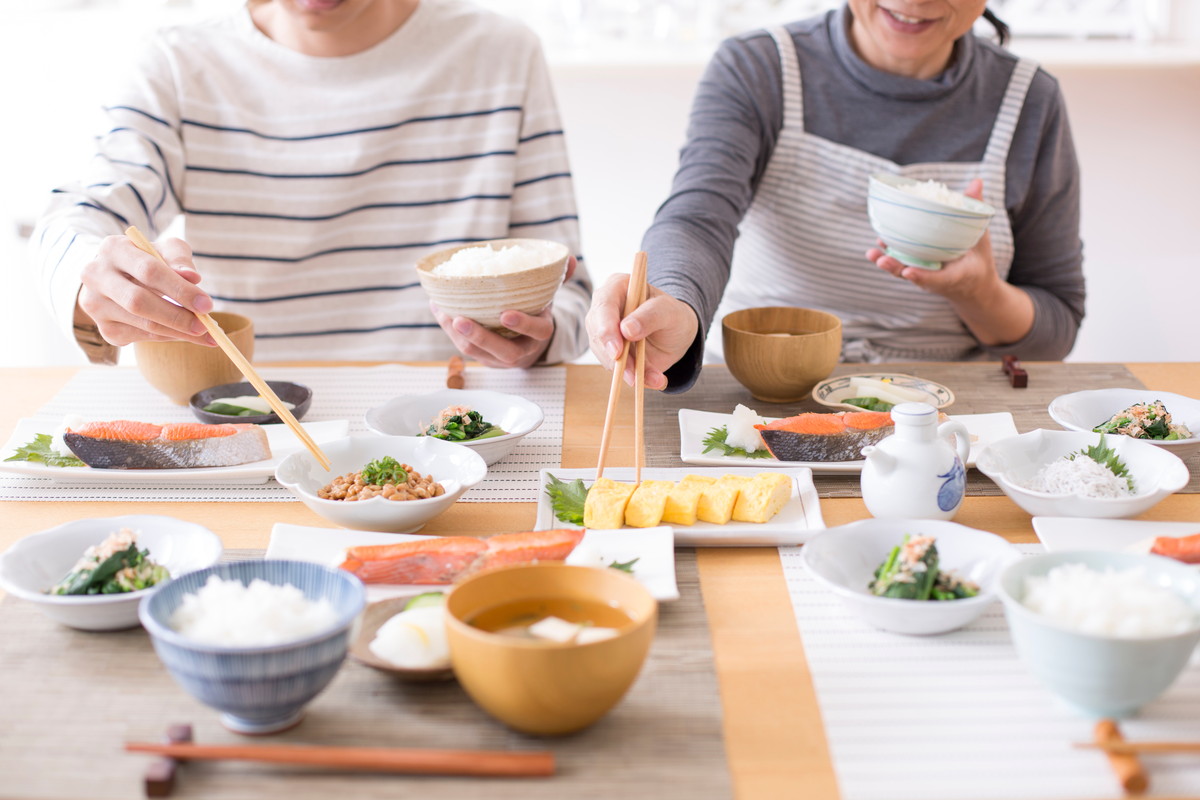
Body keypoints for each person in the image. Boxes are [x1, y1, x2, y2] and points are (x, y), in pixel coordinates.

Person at [32, 0, 591, 368]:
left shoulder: (501, 53)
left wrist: (537, 338)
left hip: (456, 425)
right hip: (253, 421)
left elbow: (567, 289)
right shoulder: (177, 63)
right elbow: (80, 218)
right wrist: (94, 282)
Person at [586, 1, 1085, 392]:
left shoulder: (1029, 100)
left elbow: (1055, 332)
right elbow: (698, 218)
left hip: (942, 408)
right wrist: (672, 302)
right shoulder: (760, 67)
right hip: (762, 390)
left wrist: (979, 293)